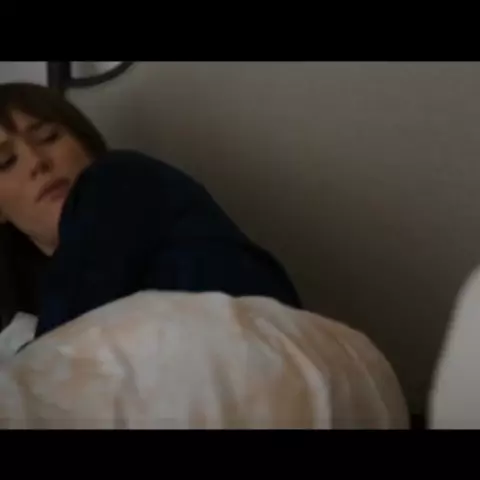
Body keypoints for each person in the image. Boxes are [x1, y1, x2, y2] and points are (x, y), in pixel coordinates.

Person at [0, 82, 301, 339]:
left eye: (49, 137)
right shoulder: (31, 294)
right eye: (6, 162)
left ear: (86, 146)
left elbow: (61, 348)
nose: (37, 161)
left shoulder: (118, 178)